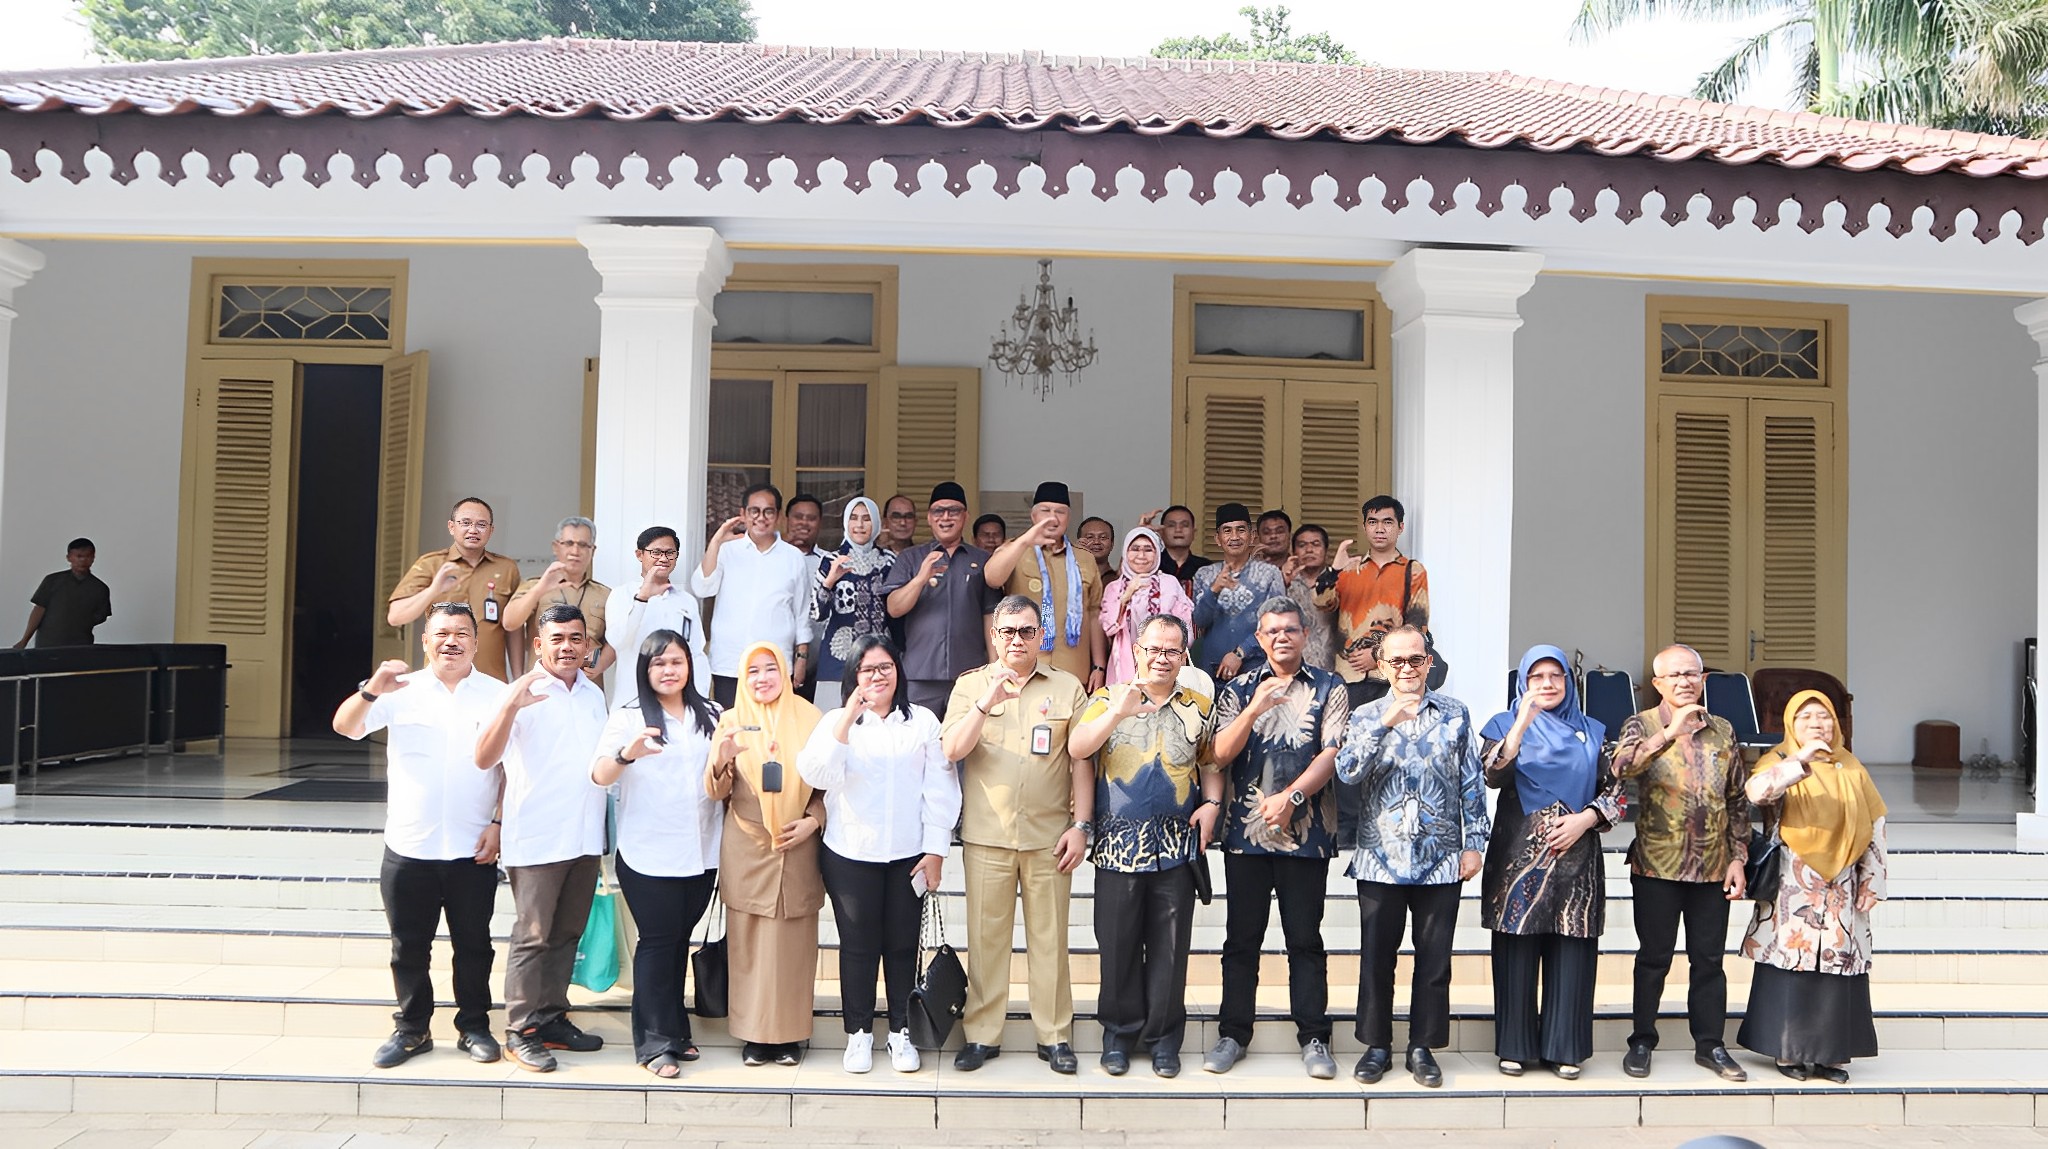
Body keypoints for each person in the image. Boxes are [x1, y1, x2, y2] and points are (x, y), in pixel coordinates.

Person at [332, 601, 503, 1069]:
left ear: (475, 640)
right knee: (409, 946)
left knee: (474, 944)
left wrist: (499, 823)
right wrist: (371, 689)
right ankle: (412, 1029)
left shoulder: (496, 694)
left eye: (462, 633)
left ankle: (474, 1026)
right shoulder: (398, 690)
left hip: (473, 847)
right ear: (424, 641)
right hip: (410, 845)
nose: (452, 641)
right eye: (442, 633)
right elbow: (345, 727)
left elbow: (514, 767)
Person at [941, 595, 1092, 1076]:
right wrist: (987, 702)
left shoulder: (1067, 687)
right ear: (994, 635)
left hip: (1051, 836)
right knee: (987, 941)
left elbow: (1081, 760)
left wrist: (1081, 825)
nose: (1017, 640)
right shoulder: (971, 686)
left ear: (1040, 633)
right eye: (1008, 631)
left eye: (1027, 631)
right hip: (988, 836)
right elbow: (952, 749)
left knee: (1051, 940)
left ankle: (1055, 1035)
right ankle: (983, 1034)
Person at [1335, 624, 1489, 1089]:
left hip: (1440, 858)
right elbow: (1346, 771)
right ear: (1381, 666)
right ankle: (1376, 1045)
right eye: (1397, 661)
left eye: (1416, 660)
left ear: (1429, 663)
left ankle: (1422, 1046)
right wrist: (1384, 725)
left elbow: (1471, 783)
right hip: (1380, 858)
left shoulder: (1456, 714)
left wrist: (1474, 842)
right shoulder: (1365, 714)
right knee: (1376, 957)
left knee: (1435, 959)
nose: (1407, 668)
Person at [797, 636, 959, 1075]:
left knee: (903, 945)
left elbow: (939, 787)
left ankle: (902, 1032)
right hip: (850, 852)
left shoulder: (922, 721)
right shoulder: (836, 720)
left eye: (885, 667)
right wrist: (848, 718)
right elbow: (816, 772)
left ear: (898, 671)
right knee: (857, 946)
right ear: (853, 676)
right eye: (867, 669)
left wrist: (936, 849)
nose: (877, 676)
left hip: (908, 855)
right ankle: (859, 1033)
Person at [1067, 614, 1221, 1078]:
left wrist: (1213, 802)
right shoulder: (1106, 699)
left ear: (1183, 655)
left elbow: (1211, 758)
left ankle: (1163, 1040)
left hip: (1176, 847)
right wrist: (1119, 711)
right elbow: (1078, 748)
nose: (1162, 658)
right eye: (1154, 648)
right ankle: (1117, 1035)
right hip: (1117, 848)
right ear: (1137, 650)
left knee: (1171, 950)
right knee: (1117, 947)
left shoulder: (1198, 703)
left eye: (1172, 650)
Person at [1202, 597, 1349, 1080]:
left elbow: (1332, 751)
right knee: (1241, 939)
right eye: (1272, 631)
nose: (1282, 637)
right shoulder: (1239, 687)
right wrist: (1254, 709)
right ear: (1260, 639)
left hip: (1307, 837)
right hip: (1246, 838)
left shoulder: (1330, 686)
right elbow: (1218, 755)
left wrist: (1291, 798)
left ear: (1305, 634)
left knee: (1304, 940)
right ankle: (1232, 1034)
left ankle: (1314, 1037)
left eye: (1290, 629)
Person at [472, 604, 610, 1072]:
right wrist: (510, 706)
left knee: (567, 932)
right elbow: (485, 758)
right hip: (536, 834)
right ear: (539, 645)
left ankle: (552, 1017)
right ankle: (520, 1029)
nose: (568, 647)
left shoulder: (593, 694)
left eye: (576, 638)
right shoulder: (521, 692)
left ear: (588, 646)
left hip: (585, 834)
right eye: (557, 638)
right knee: (532, 935)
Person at [1479, 644, 1623, 1080]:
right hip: (1517, 857)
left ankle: (1566, 1048)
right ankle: (1515, 1046)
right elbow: (1491, 774)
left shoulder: (1594, 731)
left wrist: (1585, 820)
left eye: (1555, 676)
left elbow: (1616, 793)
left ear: (1568, 682)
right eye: (1537, 676)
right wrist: (1521, 725)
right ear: (1523, 682)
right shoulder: (1502, 725)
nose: (1547, 684)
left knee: (1572, 949)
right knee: (1517, 950)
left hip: (1576, 858)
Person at [1613, 643, 1750, 1082]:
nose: (1684, 682)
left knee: (1708, 960)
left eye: (1691, 674)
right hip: (1657, 865)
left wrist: (1738, 857)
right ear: (1657, 684)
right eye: (1674, 675)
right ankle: (1641, 1040)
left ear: (1703, 679)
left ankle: (1710, 1044)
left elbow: (1738, 800)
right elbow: (1622, 767)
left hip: (1713, 866)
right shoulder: (1642, 724)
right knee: (1653, 957)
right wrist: (1670, 733)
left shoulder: (1723, 729)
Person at [590, 629, 724, 1078]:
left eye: (677, 662)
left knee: (677, 941)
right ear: (645, 671)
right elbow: (599, 774)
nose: (669, 670)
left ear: (690, 667)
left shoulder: (712, 713)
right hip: (648, 852)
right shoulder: (628, 717)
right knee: (657, 942)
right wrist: (627, 754)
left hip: (702, 851)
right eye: (659, 663)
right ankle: (653, 1043)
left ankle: (676, 1030)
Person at [1737, 690, 1887, 1084]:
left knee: (1837, 968)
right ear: (1790, 726)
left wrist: (1873, 879)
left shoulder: (1851, 767)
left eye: (1824, 718)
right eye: (1805, 718)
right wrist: (1800, 760)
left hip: (1843, 881)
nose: (1817, 725)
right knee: (1793, 964)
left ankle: (1829, 1055)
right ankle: (1788, 1052)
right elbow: (1756, 793)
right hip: (1793, 879)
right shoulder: (1778, 760)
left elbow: (1876, 826)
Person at [704, 642, 827, 1067]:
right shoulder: (730, 721)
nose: (761, 678)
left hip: (797, 844)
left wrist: (814, 819)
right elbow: (716, 791)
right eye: (752, 670)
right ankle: (754, 1036)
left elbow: (831, 784)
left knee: (794, 946)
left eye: (769, 668)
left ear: (785, 672)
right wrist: (720, 760)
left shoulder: (811, 719)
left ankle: (790, 1035)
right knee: (750, 944)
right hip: (749, 844)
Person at [692, 484, 817, 708]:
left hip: (776, 664)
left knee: (773, 736)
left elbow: (801, 614)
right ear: (743, 514)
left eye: (768, 511)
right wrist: (716, 541)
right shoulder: (727, 550)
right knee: (733, 731)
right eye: (754, 511)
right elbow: (703, 588)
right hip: (730, 663)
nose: (761, 517)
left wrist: (801, 660)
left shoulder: (793, 557)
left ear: (778, 516)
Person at [880, 482, 998, 716]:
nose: (946, 517)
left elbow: (990, 617)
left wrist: (995, 668)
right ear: (929, 518)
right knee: (918, 745)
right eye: (938, 511)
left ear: (965, 516)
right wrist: (920, 578)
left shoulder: (983, 560)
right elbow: (893, 608)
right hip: (919, 673)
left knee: (967, 746)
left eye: (953, 511)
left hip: (970, 673)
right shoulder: (910, 558)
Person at [986, 481, 1107, 691]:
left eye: (1060, 511)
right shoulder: (1015, 550)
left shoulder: (1085, 559)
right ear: (1034, 516)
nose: (1053, 517)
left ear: (1068, 518)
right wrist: (1025, 541)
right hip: (1023, 669)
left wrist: (1099, 665)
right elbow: (992, 579)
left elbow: (1094, 613)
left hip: (1073, 670)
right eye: (1045, 511)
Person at [1312, 495, 1430, 709]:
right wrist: (1334, 570)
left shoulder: (1412, 571)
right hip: (1348, 674)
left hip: (1391, 675)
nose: (1380, 529)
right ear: (1365, 527)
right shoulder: (1348, 568)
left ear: (1400, 527)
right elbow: (1320, 602)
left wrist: (1377, 654)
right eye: (1373, 522)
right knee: (1348, 737)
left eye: (1387, 522)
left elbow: (1416, 627)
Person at [389, 498, 522, 680]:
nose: (473, 530)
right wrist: (434, 589)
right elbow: (396, 617)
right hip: (440, 680)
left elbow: (513, 628)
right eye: (465, 523)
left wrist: (518, 677)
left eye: (481, 524)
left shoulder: (506, 568)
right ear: (451, 527)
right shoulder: (431, 564)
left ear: (491, 530)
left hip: (490, 679)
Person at [603, 526, 706, 707]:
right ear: (639, 554)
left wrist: (699, 698)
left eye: (670, 553)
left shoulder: (686, 601)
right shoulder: (621, 595)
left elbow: (696, 653)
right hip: (632, 701)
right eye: (656, 552)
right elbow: (618, 641)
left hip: (678, 702)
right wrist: (642, 598)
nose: (664, 558)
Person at [810, 497, 893, 713]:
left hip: (879, 658)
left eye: (866, 519)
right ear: (846, 522)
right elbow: (817, 613)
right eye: (854, 518)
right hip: (838, 659)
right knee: (833, 726)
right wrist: (829, 581)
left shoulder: (889, 561)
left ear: (876, 522)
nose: (860, 525)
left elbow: (896, 611)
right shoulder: (832, 560)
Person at [504, 517, 611, 679]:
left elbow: (618, 638)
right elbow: (510, 622)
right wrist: (540, 589)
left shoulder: (605, 594)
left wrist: (601, 664)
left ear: (593, 551)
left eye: (583, 545)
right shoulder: (535, 586)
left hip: (587, 688)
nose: (575, 551)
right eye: (568, 543)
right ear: (556, 547)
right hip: (542, 687)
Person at [1190, 503, 1285, 681]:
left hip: (1256, 671)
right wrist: (1214, 590)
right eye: (1227, 531)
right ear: (1217, 539)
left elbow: (1276, 624)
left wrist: (1241, 653)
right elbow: (1199, 621)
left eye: (1241, 530)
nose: (1234, 537)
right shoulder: (1205, 575)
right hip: (1211, 672)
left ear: (1252, 536)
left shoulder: (1269, 574)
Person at [1100, 527, 1193, 686]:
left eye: (1148, 549)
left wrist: (1169, 653)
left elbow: (1186, 630)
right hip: (1124, 665)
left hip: (1164, 663)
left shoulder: (1170, 584)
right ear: (1125, 553)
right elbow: (1109, 627)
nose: (1141, 556)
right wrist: (1126, 596)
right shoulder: (1114, 588)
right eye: (1135, 549)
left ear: (1157, 553)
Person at [14, 538, 112, 648]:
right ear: (69, 557)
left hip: (81, 646)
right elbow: (38, 610)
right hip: (48, 645)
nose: (83, 560)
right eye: (79, 556)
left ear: (93, 558)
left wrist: (80, 623)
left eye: (88, 556)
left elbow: (101, 616)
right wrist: (24, 640)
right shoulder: (52, 581)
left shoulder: (100, 588)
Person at [1284, 524, 1338, 672]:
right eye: (1302, 545)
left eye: (1316, 544)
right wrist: (1284, 583)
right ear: (1293, 551)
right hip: (1292, 669)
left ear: (1326, 550)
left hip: (1334, 669)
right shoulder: (1283, 584)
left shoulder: (1340, 582)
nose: (1309, 550)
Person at [1150, 505, 1211, 592]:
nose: (1178, 530)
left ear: (1194, 533)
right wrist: (1142, 532)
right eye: (1171, 525)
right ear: (1161, 533)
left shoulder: (1206, 567)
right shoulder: (1150, 565)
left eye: (1185, 525)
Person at [1076, 516, 1117, 582]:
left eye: (1103, 537)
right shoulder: (1069, 576)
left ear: (1112, 544)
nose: (1096, 542)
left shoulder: (1119, 580)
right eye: (1090, 537)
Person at [784, 493, 824, 560]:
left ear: (820, 523)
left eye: (811, 518)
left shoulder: (831, 562)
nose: (804, 523)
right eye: (798, 517)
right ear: (786, 520)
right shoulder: (770, 557)